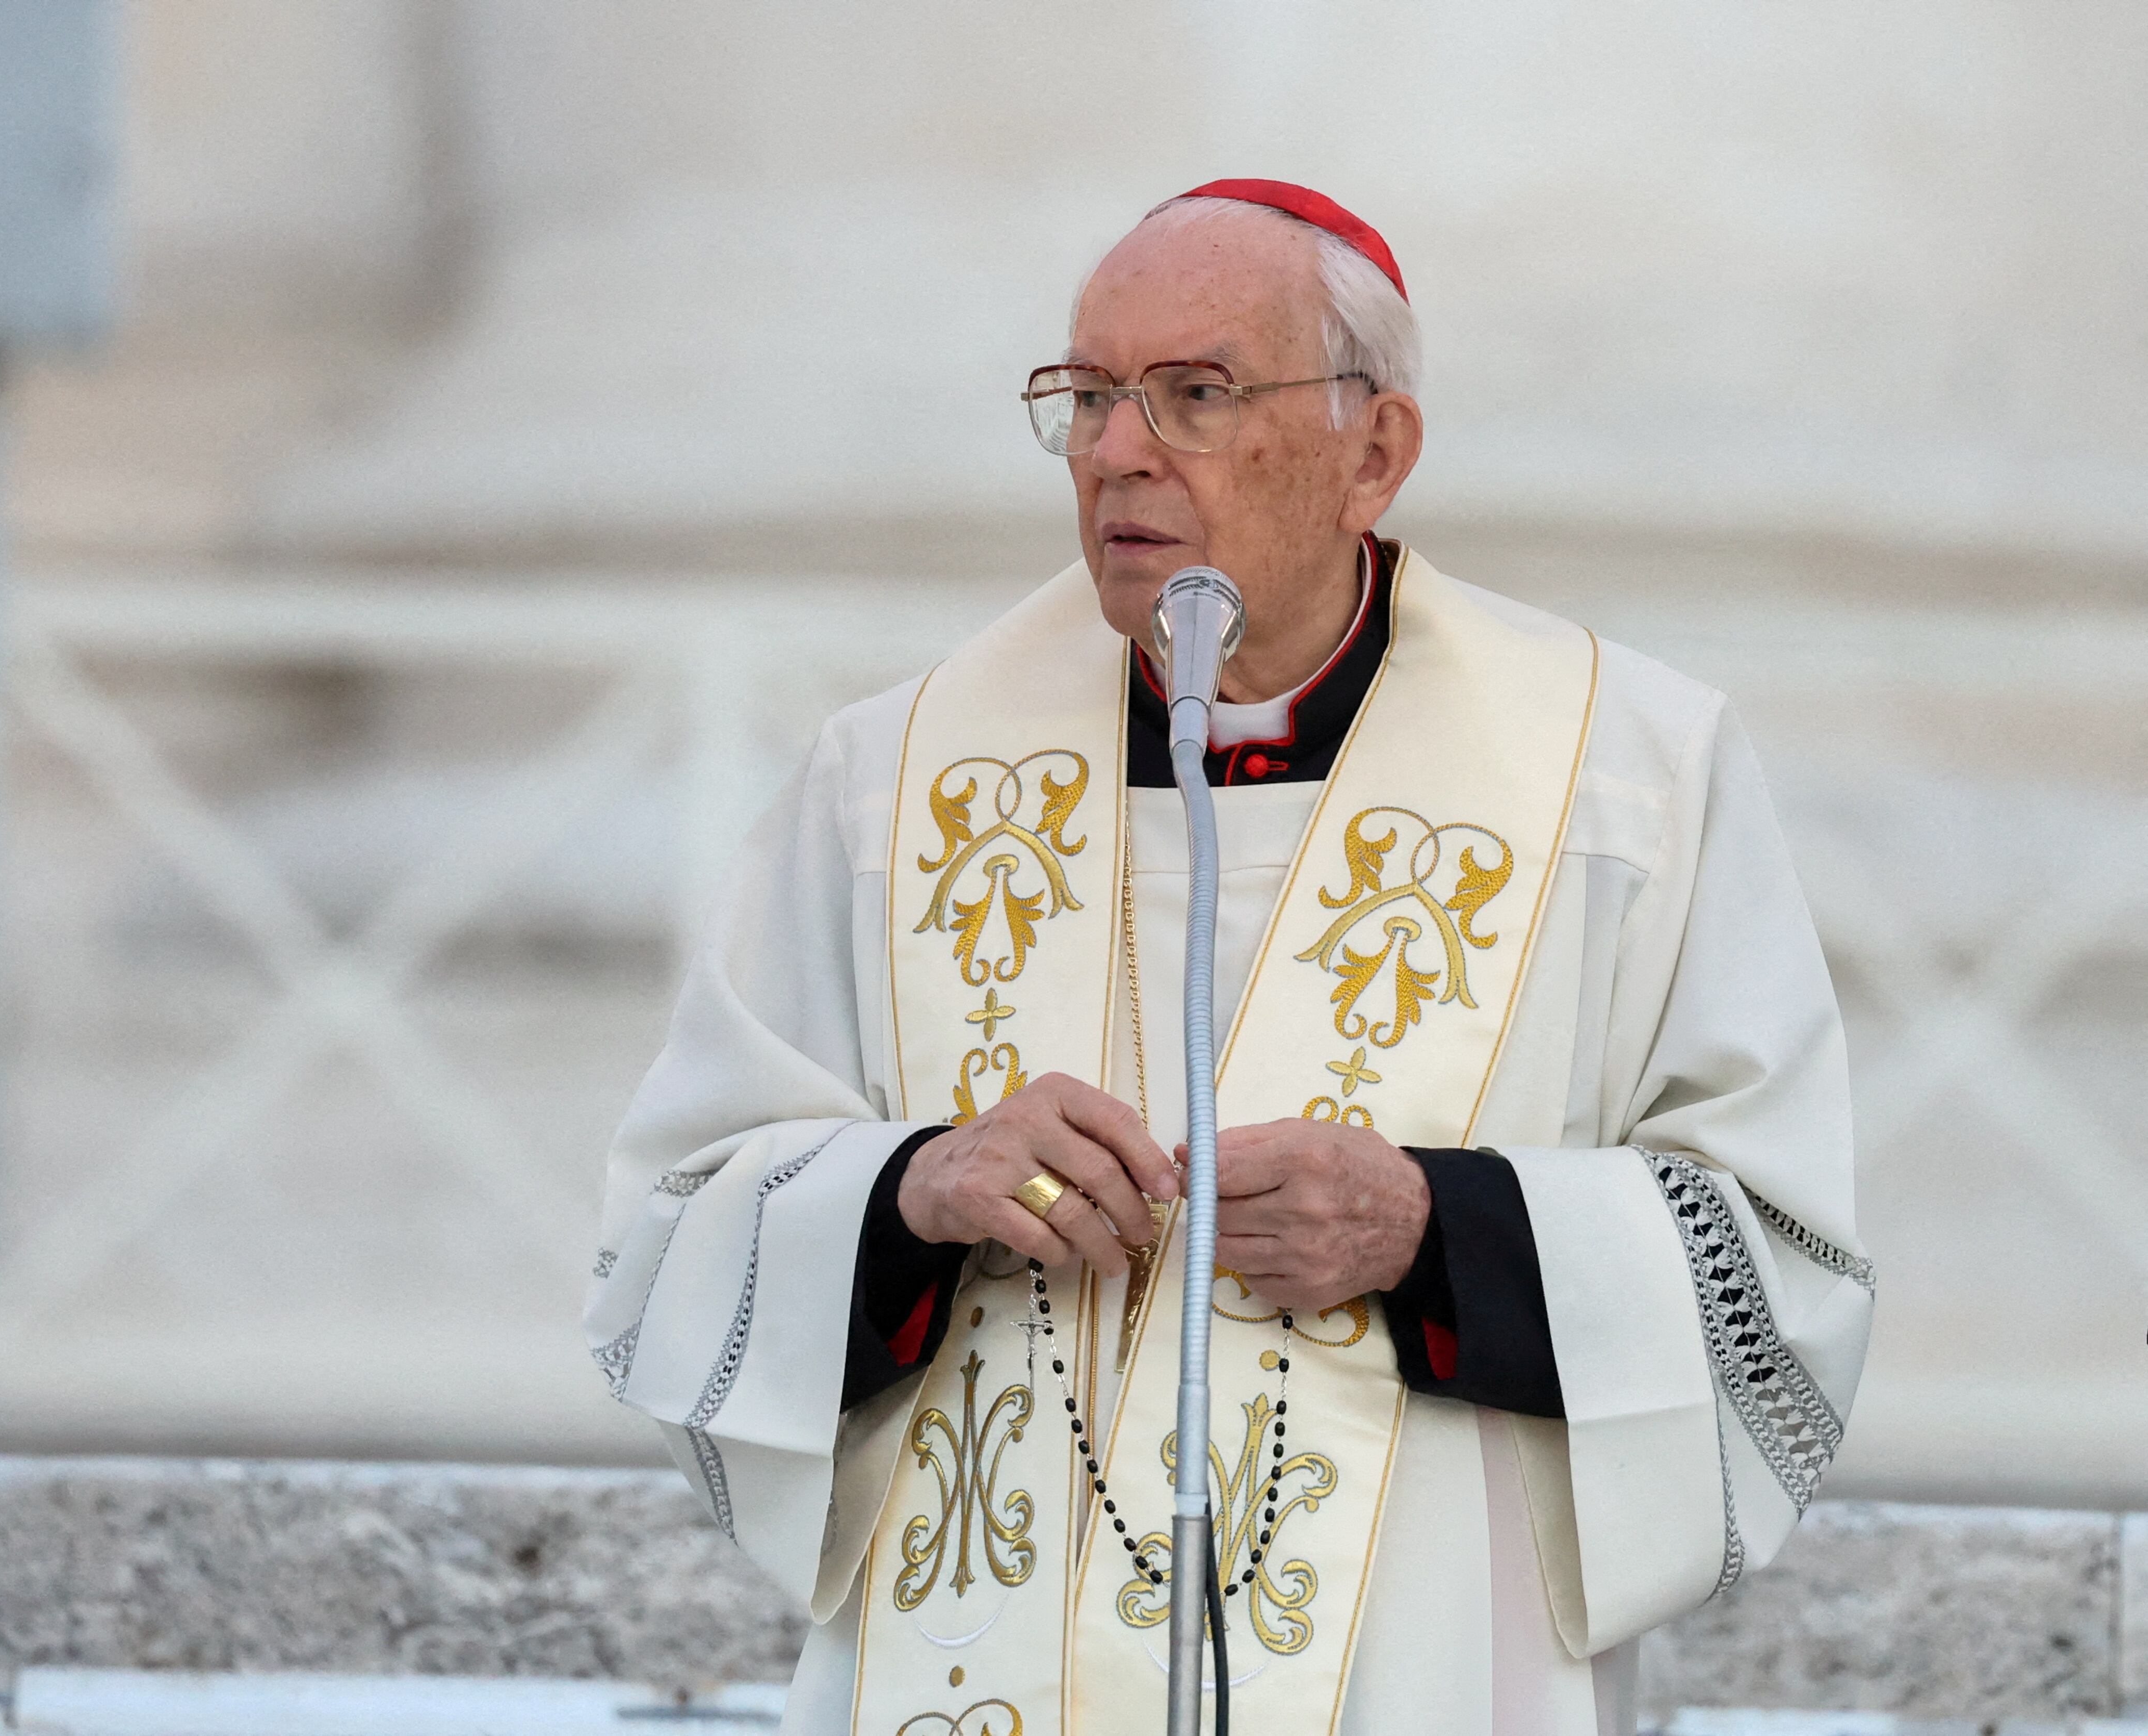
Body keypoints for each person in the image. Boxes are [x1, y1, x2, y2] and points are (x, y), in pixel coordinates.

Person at [585, 179, 1870, 1736]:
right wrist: (914, 1189)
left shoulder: (1625, 776)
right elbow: (670, 1238)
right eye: (1087, 396)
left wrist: (1433, 1226)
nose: (1118, 449)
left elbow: (1781, 1269)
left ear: (1373, 456)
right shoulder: (894, 780)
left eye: (1194, 395)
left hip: (1428, 1660)